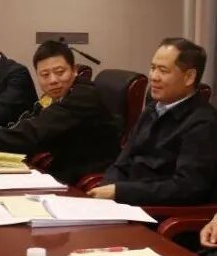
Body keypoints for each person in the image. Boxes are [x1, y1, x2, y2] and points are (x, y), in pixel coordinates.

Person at [0, 41, 120, 184]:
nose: (53, 80)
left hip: (86, 179)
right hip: (61, 171)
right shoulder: (53, 97)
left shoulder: (84, 95)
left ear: (74, 70)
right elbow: (26, 123)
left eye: (60, 72)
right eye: (45, 75)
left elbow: (36, 129)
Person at [88, 38, 217, 205]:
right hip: (125, 204)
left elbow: (187, 188)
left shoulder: (203, 123)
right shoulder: (152, 109)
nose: (153, 77)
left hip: (157, 212)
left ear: (189, 77)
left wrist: (120, 192)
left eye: (163, 71)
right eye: (153, 68)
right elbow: (122, 163)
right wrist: (106, 189)